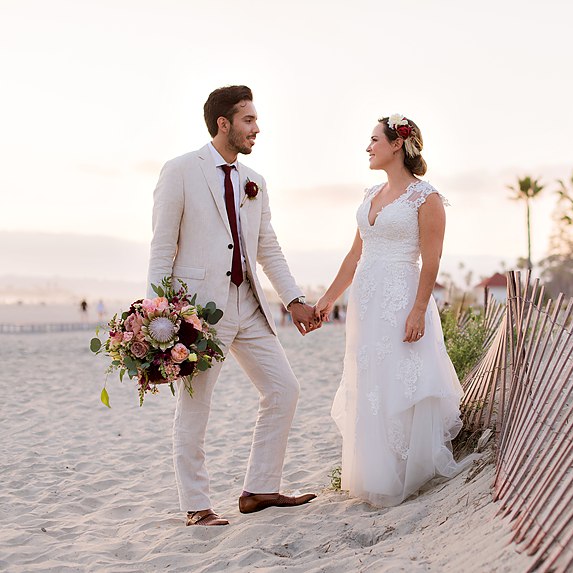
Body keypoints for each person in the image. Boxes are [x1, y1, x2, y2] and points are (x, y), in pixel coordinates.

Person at [146, 85, 319, 527]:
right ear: (224, 123)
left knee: (284, 389)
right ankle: (197, 506)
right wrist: (159, 317)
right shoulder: (181, 170)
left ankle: (259, 489)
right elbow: (162, 247)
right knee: (196, 405)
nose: (256, 128)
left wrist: (294, 299)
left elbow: (268, 248)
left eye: (256, 120)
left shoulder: (254, 182)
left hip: (249, 306)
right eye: (248, 120)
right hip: (198, 315)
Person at [315, 113, 476, 507]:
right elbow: (355, 255)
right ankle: (374, 472)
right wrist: (327, 299)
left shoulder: (427, 197)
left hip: (402, 298)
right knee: (370, 381)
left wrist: (419, 309)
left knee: (400, 378)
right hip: (366, 304)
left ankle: (408, 469)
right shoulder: (370, 194)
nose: (367, 147)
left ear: (397, 144)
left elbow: (432, 260)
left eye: (373, 140)